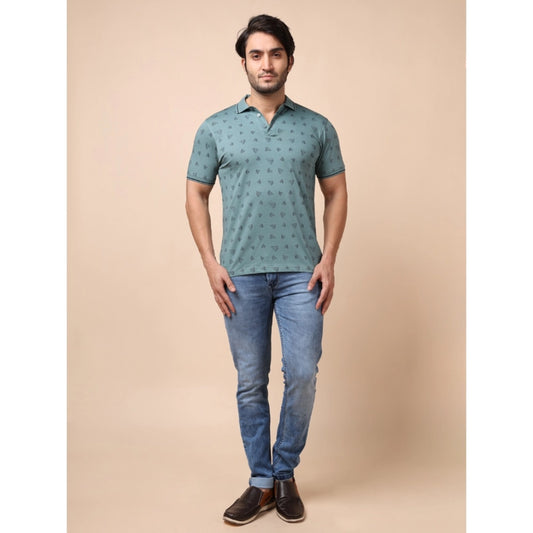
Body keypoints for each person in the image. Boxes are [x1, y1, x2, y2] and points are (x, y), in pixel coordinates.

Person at [185, 14, 348, 525]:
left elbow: (337, 191)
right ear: (244, 63)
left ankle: (285, 473)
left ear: (289, 60)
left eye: (275, 53)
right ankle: (261, 483)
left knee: (301, 374)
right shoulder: (216, 127)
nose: (266, 63)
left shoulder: (317, 126)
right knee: (251, 381)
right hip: (241, 275)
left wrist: (328, 258)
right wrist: (210, 263)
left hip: (303, 273)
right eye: (256, 55)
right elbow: (195, 193)